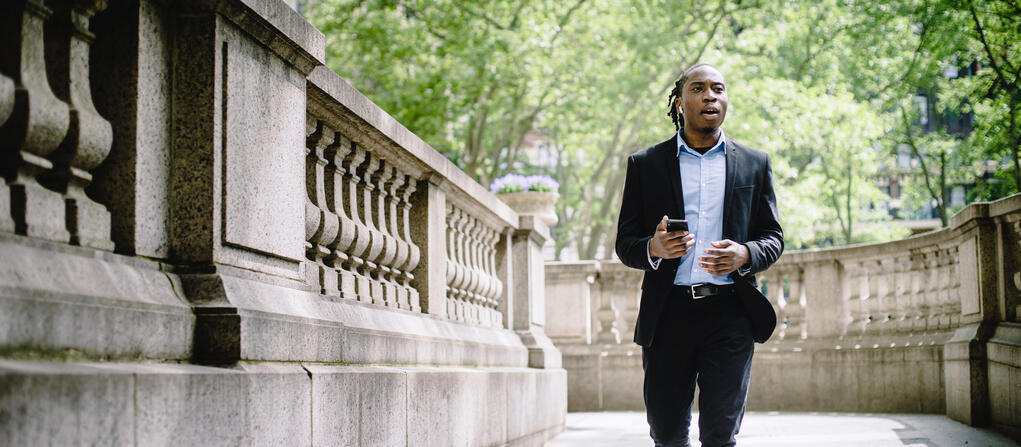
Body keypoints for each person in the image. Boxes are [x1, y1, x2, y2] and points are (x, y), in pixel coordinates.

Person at [614, 62, 783, 447]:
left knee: (720, 435)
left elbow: (772, 237)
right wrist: (653, 248)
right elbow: (626, 244)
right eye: (698, 88)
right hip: (668, 315)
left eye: (718, 88)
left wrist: (745, 252)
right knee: (668, 435)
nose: (710, 95)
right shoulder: (645, 165)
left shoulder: (756, 164)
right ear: (678, 103)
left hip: (730, 315)